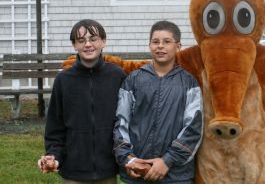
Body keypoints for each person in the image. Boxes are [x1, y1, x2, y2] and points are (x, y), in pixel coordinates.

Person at [113, 20, 203, 184]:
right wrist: (129, 159)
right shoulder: (133, 80)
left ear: (178, 46)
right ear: (150, 45)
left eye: (167, 41)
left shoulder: (189, 83)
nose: (160, 46)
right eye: (155, 42)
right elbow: (121, 122)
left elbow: (193, 128)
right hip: (137, 172)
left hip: (175, 175)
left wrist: (167, 160)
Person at [37, 19, 126, 184]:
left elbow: (127, 121)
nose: (88, 44)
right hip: (73, 172)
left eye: (93, 39)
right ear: (74, 45)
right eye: (81, 40)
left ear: (103, 42)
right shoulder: (63, 80)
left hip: (107, 170)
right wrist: (54, 156)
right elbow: (55, 128)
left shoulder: (117, 76)